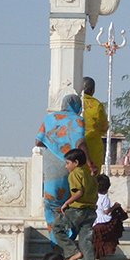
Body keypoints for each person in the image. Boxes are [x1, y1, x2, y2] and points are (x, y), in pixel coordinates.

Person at [36, 94, 94, 242]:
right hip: (70, 163)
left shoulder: (49, 119)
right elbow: (80, 142)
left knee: (51, 202)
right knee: (70, 200)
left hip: (51, 164)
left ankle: (56, 241)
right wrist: (89, 163)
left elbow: (38, 141)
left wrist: (55, 146)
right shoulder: (78, 120)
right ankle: (69, 236)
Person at [52, 149, 98, 260]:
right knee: (86, 242)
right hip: (90, 212)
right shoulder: (90, 176)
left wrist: (67, 203)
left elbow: (79, 191)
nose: (66, 166)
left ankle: (72, 251)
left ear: (76, 163)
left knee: (57, 227)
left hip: (78, 210)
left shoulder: (74, 174)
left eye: (67, 163)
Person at [92, 174, 127, 260]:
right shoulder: (105, 198)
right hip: (103, 221)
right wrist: (115, 206)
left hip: (94, 221)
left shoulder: (93, 196)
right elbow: (106, 211)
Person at [81, 77, 109, 173]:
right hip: (92, 147)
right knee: (92, 180)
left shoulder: (73, 102)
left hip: (74, 144)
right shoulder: (96, 105)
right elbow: (104, 127)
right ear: (93, 90)